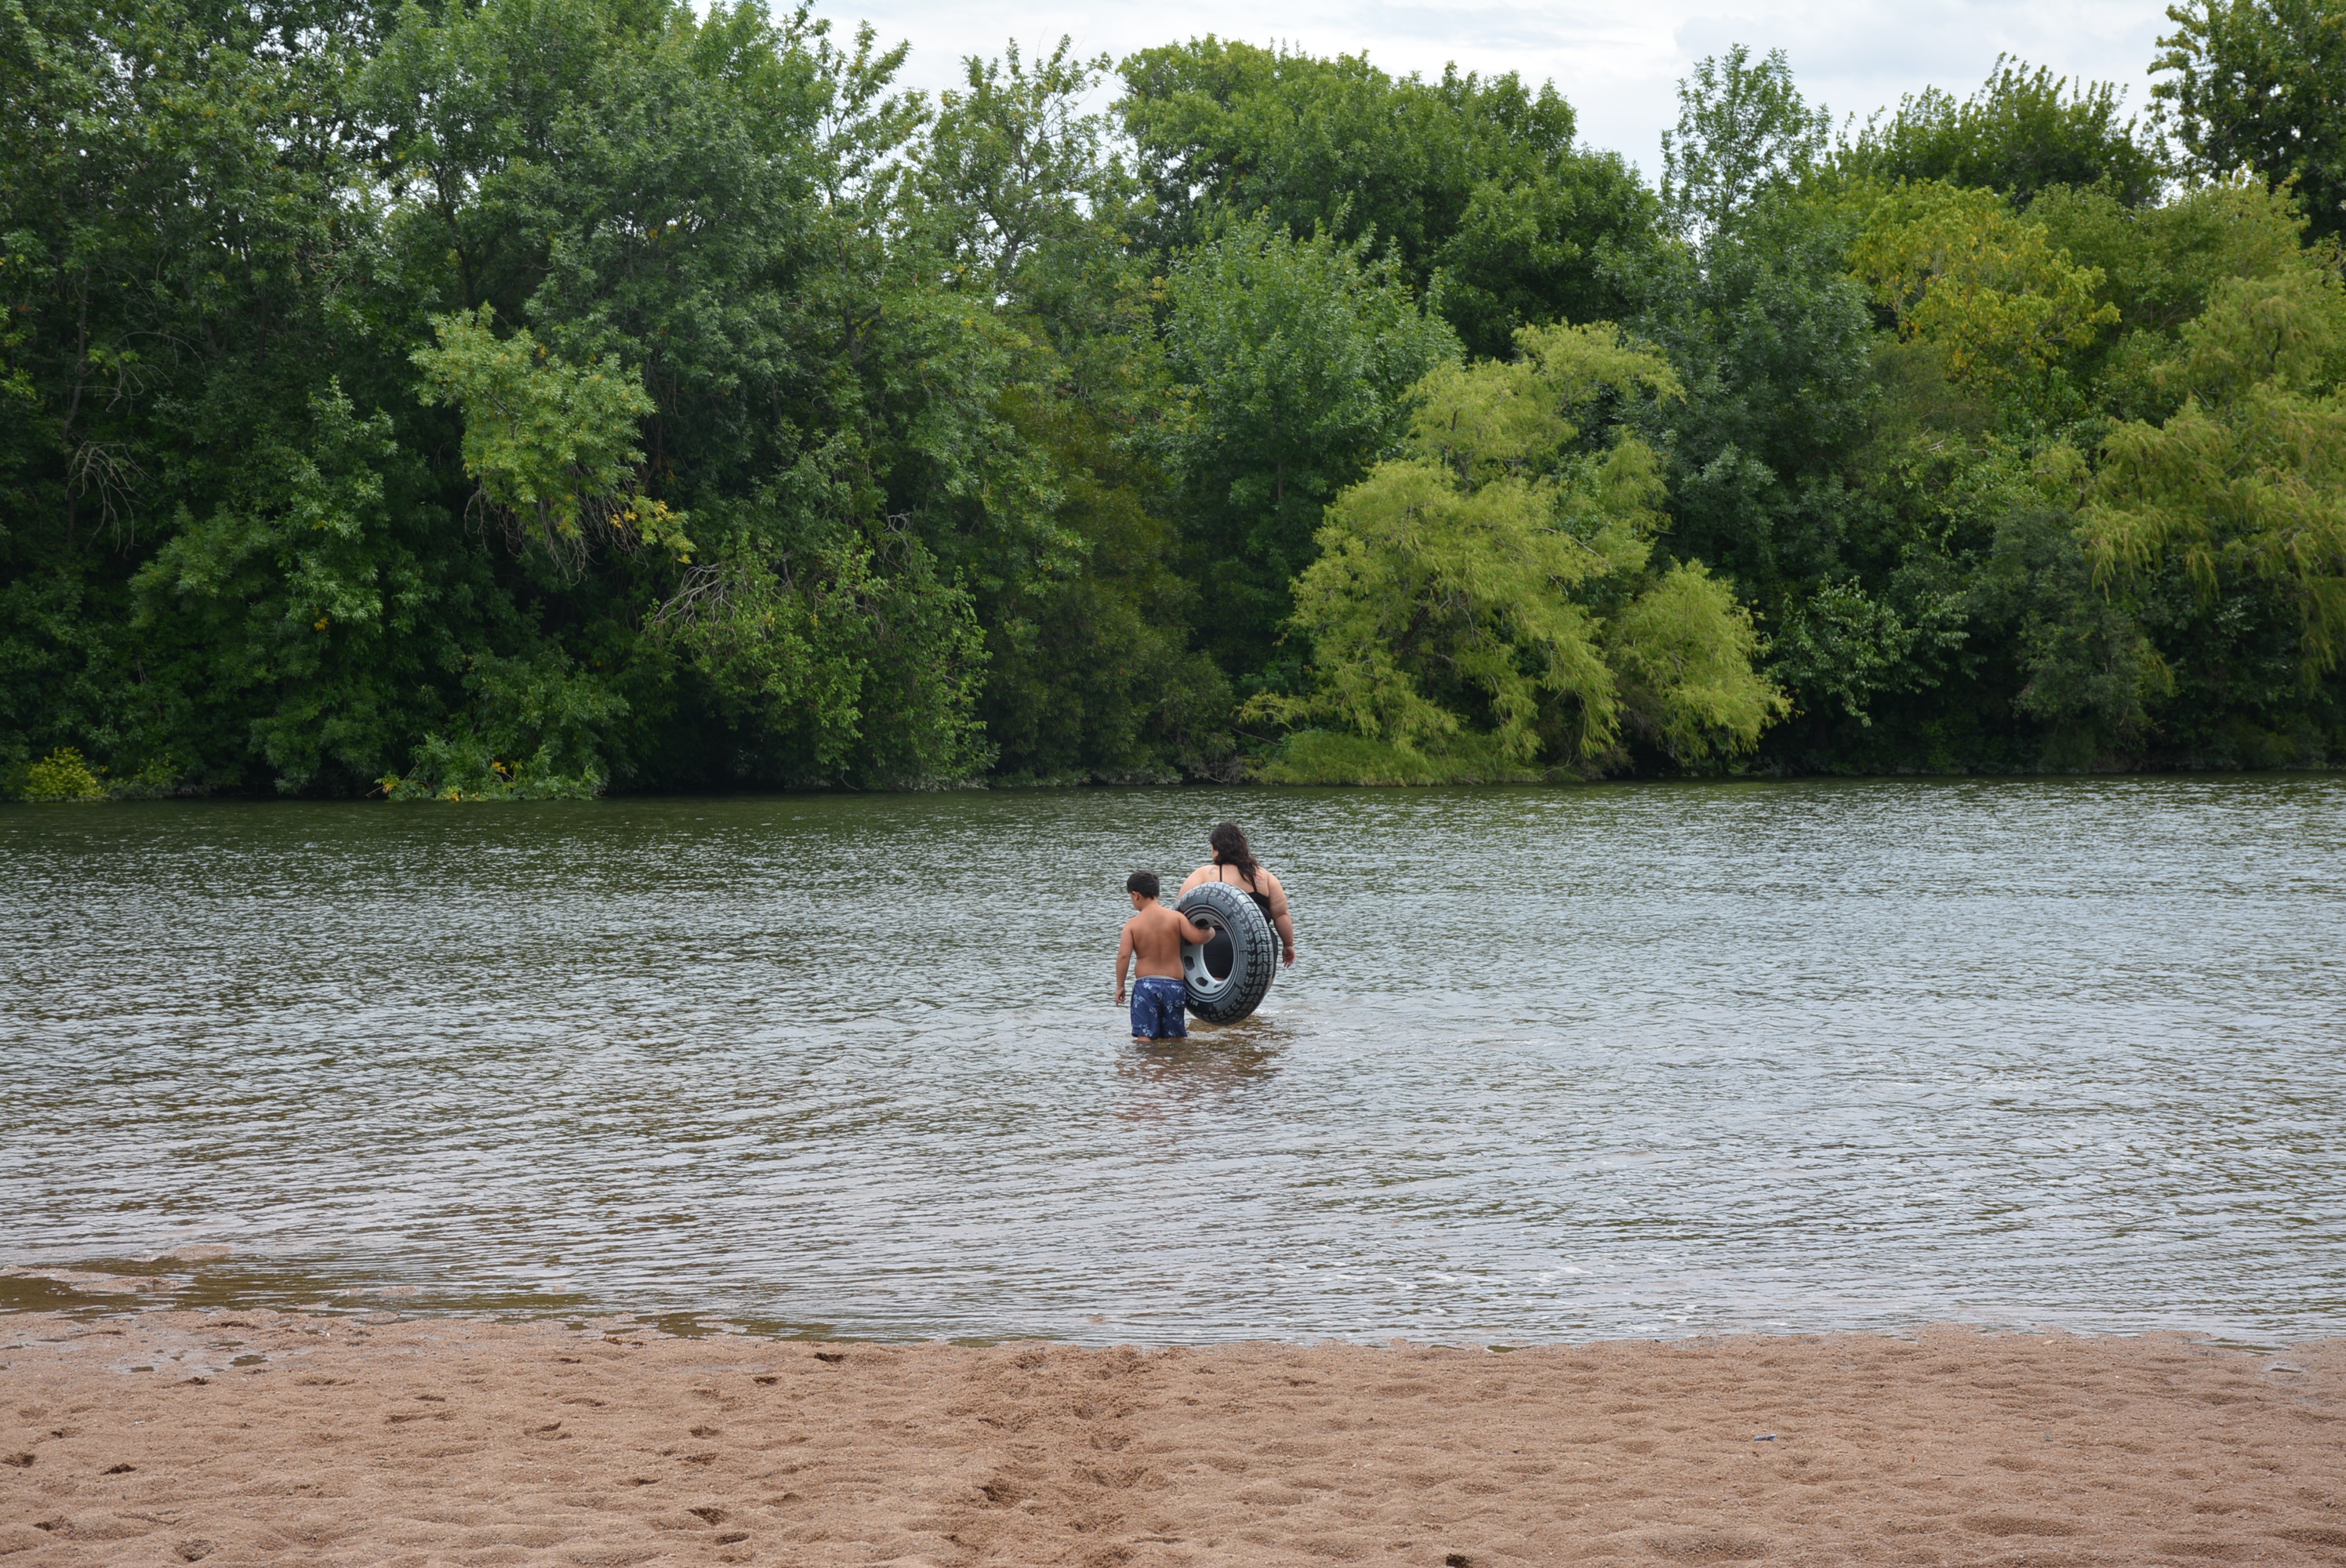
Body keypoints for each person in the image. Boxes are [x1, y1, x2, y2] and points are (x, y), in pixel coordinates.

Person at [1178, 822, 1297, 967]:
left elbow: (1179, 912)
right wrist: (1288, 945)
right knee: (1257, 990)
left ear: (1216, 849)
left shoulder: (1204, 874)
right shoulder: (1265, 877)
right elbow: (1281, 915)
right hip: (1260, 946)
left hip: (1216, 943)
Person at [1116, 871, 1213, 1040]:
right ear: (1157, 893)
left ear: (1135, 895)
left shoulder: (1132, 925)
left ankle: (1148, 1065)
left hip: (1145, 987)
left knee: (1144, 1037)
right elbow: (1199, 938)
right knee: (1175, 1038)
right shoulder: (1176, 918)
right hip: (1173, 987)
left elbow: (1124, 956)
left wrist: (1120, 986)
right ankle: (1173, 1066)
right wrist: (1211, 928)